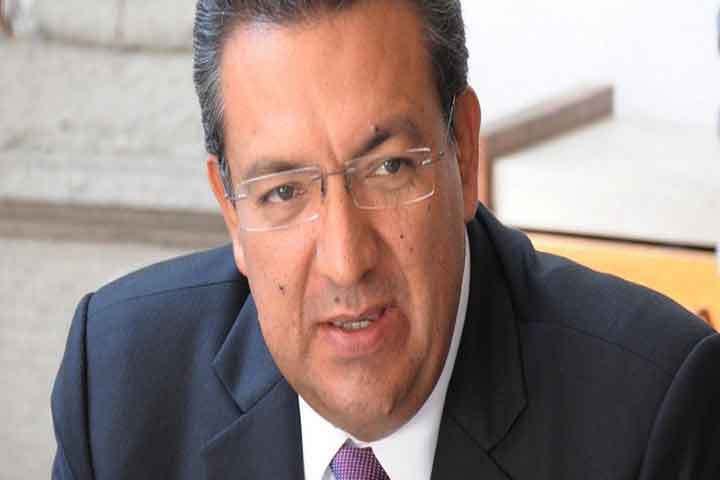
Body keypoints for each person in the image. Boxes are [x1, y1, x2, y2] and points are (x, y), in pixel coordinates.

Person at [51, 1, 720, 479]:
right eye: (283, 191)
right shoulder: (117, 387)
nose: (346, 263)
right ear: (230, 209)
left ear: (464, 152)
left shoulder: (653, 415)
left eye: (389, 168)